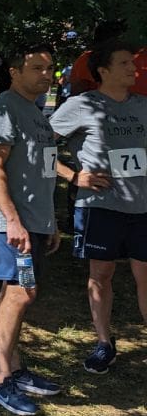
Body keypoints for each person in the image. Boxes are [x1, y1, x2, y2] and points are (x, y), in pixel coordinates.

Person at [49, 41, 147, 373]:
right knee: (100, 275)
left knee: (144, 274)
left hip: (142, 206)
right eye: (124, 64)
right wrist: (73, 176)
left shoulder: (143, 106)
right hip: (100, 206)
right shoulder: (82, 105)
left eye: (133, 64)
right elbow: (36, 142)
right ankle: (104, 343)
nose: (134, 69)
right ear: (103, 71)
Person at [0, 44, 61, 416]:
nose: (46, 74)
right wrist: (12, 219)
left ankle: (14, 367)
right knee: (21, 292)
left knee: (13, 293)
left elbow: (42, 170)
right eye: (37, 67)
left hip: (35, 221)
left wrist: (51, 221)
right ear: (14, 71)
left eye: (50, 68)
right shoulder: (2, 110)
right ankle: (0, 381)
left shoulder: (37, 112)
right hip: (13, 224)